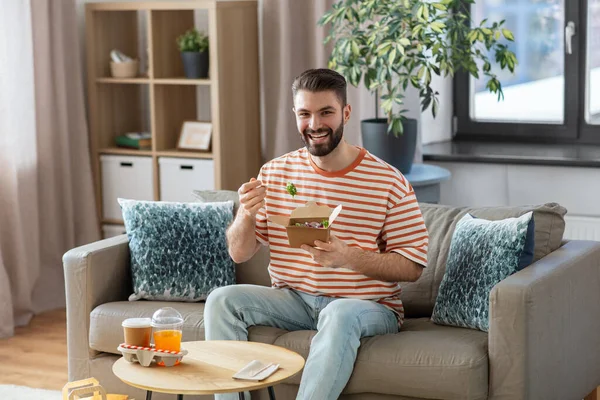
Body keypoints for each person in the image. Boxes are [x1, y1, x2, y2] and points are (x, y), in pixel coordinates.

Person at [204, 68, 429, 400]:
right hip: (293, 300)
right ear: (295, 115)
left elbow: (412, 267)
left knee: (338, 313)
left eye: (326, 112)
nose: (315, 124)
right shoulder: (275, 172)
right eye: (305, 114)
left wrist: (347, 257)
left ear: (346, 113)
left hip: (366, 305)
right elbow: (239, 253)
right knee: (221, 300)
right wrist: (246, 214)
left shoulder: (388, 181)